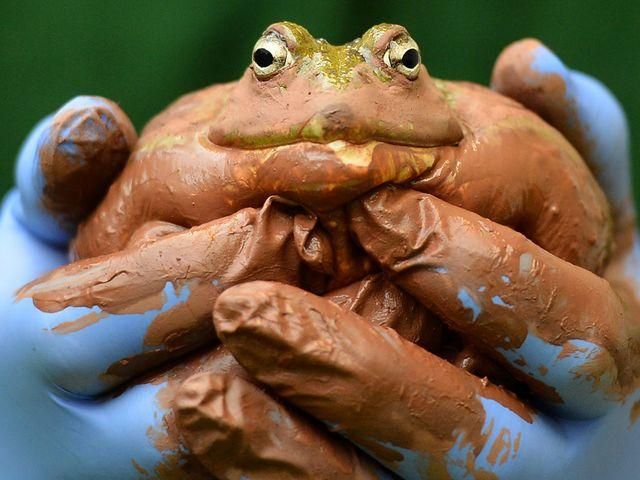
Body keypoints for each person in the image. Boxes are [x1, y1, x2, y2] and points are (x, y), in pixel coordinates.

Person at [0, 41, 638, 479]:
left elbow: (575, 241)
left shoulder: (484, 153)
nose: (334, 103)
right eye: (270, 60)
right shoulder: (191, 157)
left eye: (402, 60)